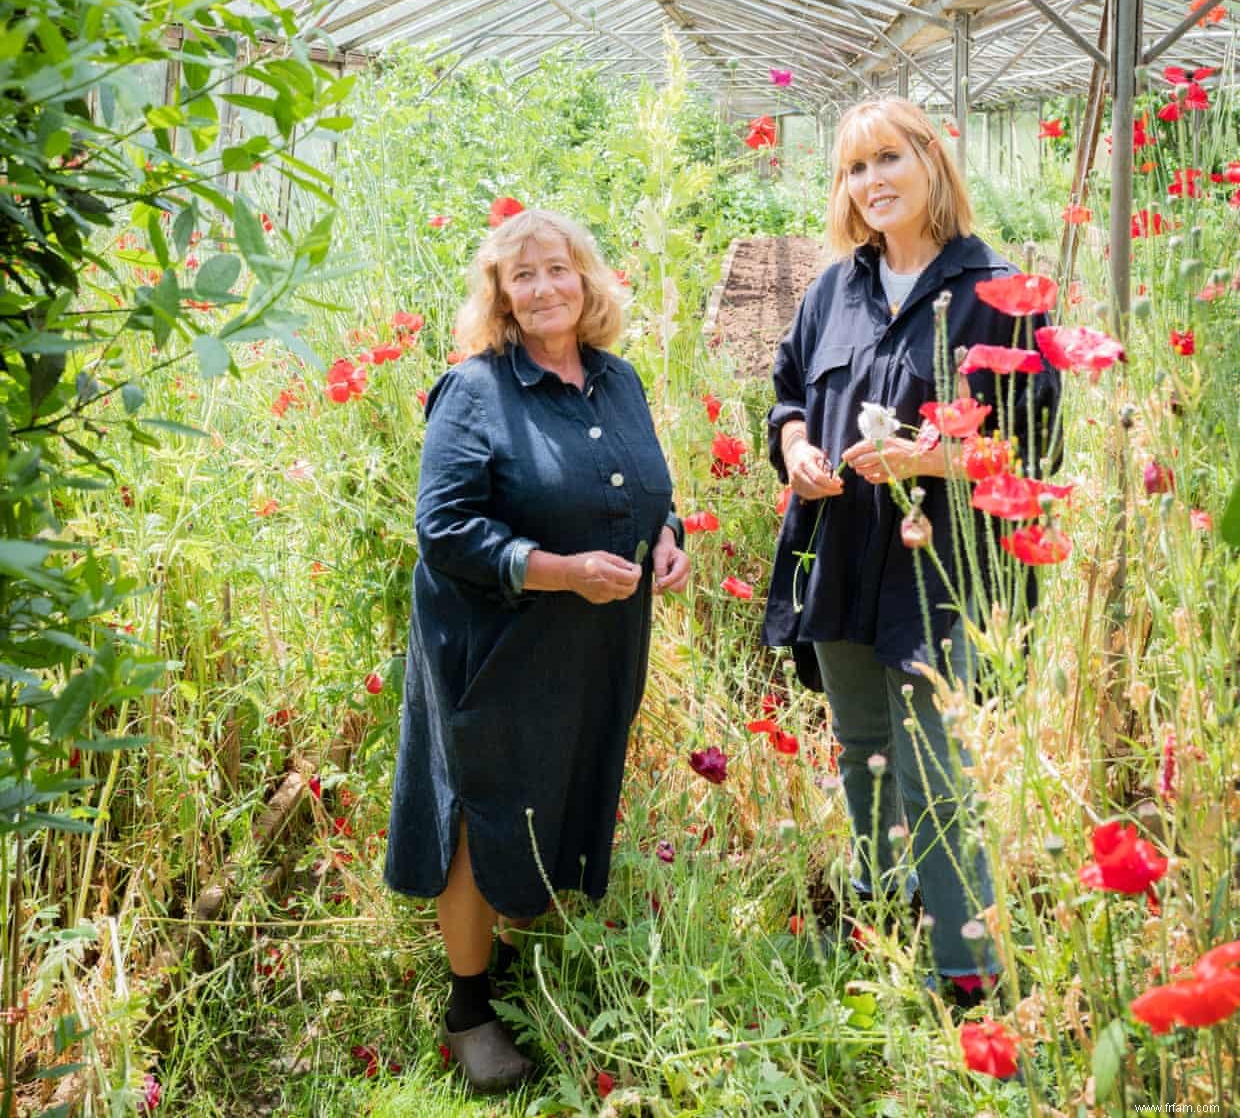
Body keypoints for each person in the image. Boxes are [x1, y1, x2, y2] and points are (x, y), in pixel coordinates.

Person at [384, 208, 690, 1092]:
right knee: (490, 803)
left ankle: (528, 961)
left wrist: (666, 535)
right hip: (496, 642)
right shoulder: (475, 389)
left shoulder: (617, 379)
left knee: (559, 790)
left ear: (586, 279)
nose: (545, 288)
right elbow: (442, 530)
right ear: (502, 296)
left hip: (593, 640)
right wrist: (556, 571)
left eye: (558, 269)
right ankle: (469, 1005)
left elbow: (642, 488)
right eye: (524, 277)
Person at [762, 98, 1060, 1002]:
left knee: (936, 767)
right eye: (854, 168)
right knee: (859, 745)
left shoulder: (996, 292)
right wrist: (797, 452)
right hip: (844, 553)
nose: (872, 182)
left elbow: (1035, 442)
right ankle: (880, 912)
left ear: (933, 163)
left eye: (889, 158)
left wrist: (931, 457)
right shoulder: (833, 290)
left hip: (945, 565)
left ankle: (966, 976)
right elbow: (785, 398)